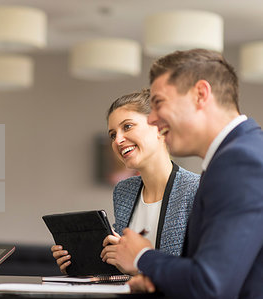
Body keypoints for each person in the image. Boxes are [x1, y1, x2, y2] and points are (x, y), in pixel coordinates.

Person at [108, 49, 263, 298]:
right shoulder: (235, 157)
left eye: (158, 103)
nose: (154, 119)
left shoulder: (242, 162)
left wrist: (142, 256)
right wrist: (159, 283)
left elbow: (211, 285)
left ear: (200, 94)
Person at [51, 90, 199, 274]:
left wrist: (138, 262)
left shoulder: (196, 189)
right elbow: (123, 270)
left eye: (127, 126)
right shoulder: (124, 191)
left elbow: (200, 271)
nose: (118, 140)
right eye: (112, 134)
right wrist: (80, 263)